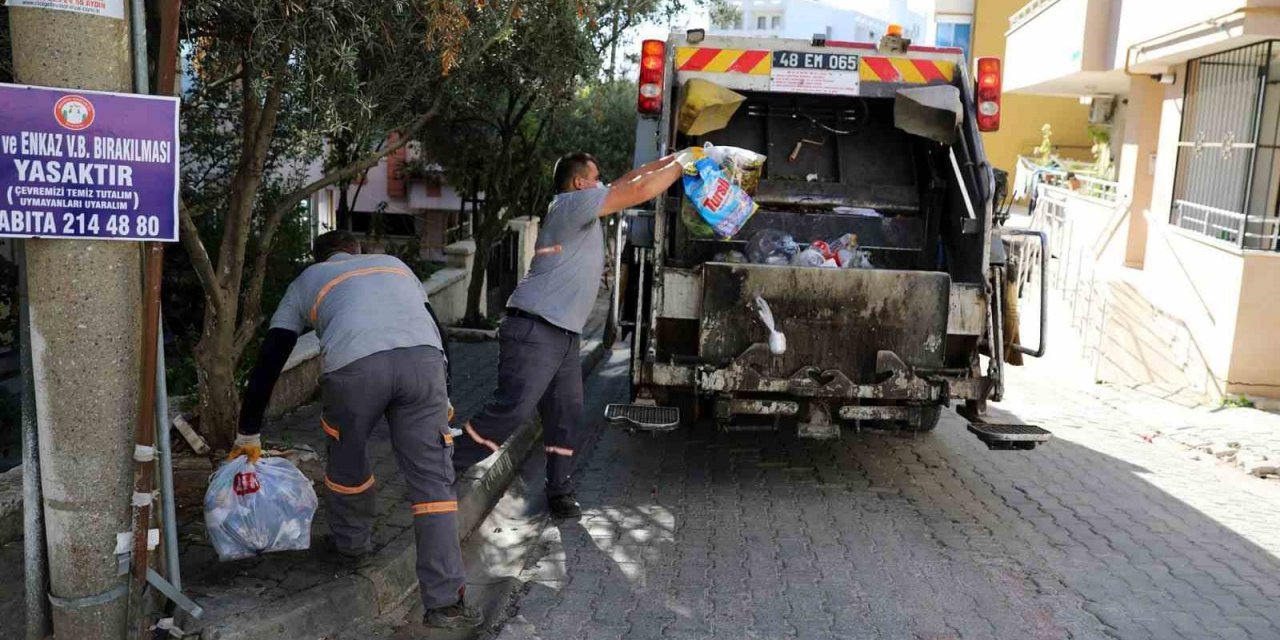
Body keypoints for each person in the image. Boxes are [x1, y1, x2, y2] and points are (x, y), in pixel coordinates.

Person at [229, 230, 481, 630]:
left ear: (319, 257)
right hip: (424, 365)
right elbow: (437, 329)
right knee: (434, 485)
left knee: (348, 462)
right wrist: (445, 393)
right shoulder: (395, 266)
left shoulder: (306, 281)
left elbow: (272, 355)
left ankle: (352, 544)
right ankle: (446, 602)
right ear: (357, 250)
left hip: (354, 370)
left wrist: (249, 431)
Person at [453, 150, 687, 519]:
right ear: (579, 183)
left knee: (565, 415)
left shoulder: (580, 206)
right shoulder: (572, 204)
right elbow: (638, 191)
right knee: (512, 410)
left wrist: (676, 156)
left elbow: (630, 180)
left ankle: (559, 491)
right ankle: (444, 462)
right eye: (596, 178)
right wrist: (685, 166)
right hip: (535, 327)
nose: (602, 184)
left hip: (562, 334)